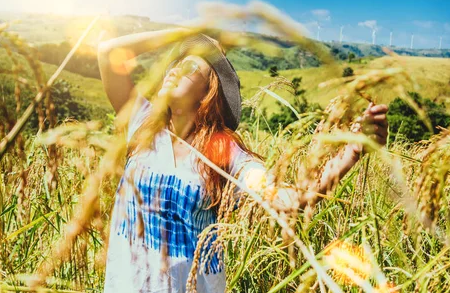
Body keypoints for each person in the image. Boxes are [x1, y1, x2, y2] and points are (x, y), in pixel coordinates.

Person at [97, 28, 389, 293]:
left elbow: (287, 200)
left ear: (206, 92)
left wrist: (351, 152)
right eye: (175, 63)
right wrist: (182, 34)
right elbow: (109, 51)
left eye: (189, 67)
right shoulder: (143, 122)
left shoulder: (222, 150)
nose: (174, 70)